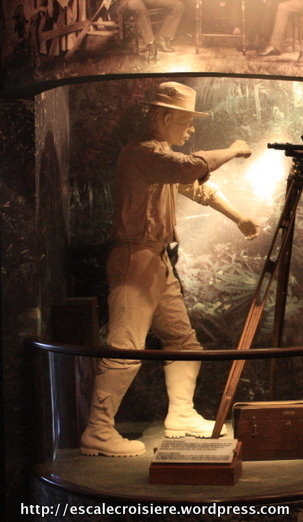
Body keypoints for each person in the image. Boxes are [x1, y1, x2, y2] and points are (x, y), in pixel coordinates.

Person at [80, 81, 259, 457]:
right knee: (126, 346)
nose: (190, 129)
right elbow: (189, 168)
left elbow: (199, 188)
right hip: (135, 259)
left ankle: (181, 415)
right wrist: (233, 149)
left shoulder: (157, 156)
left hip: (155, 260)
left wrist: (240, 218)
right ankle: (98, 430)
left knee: (182, 341)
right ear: (164, 118)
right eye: (186, 121)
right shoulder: (142, 153)